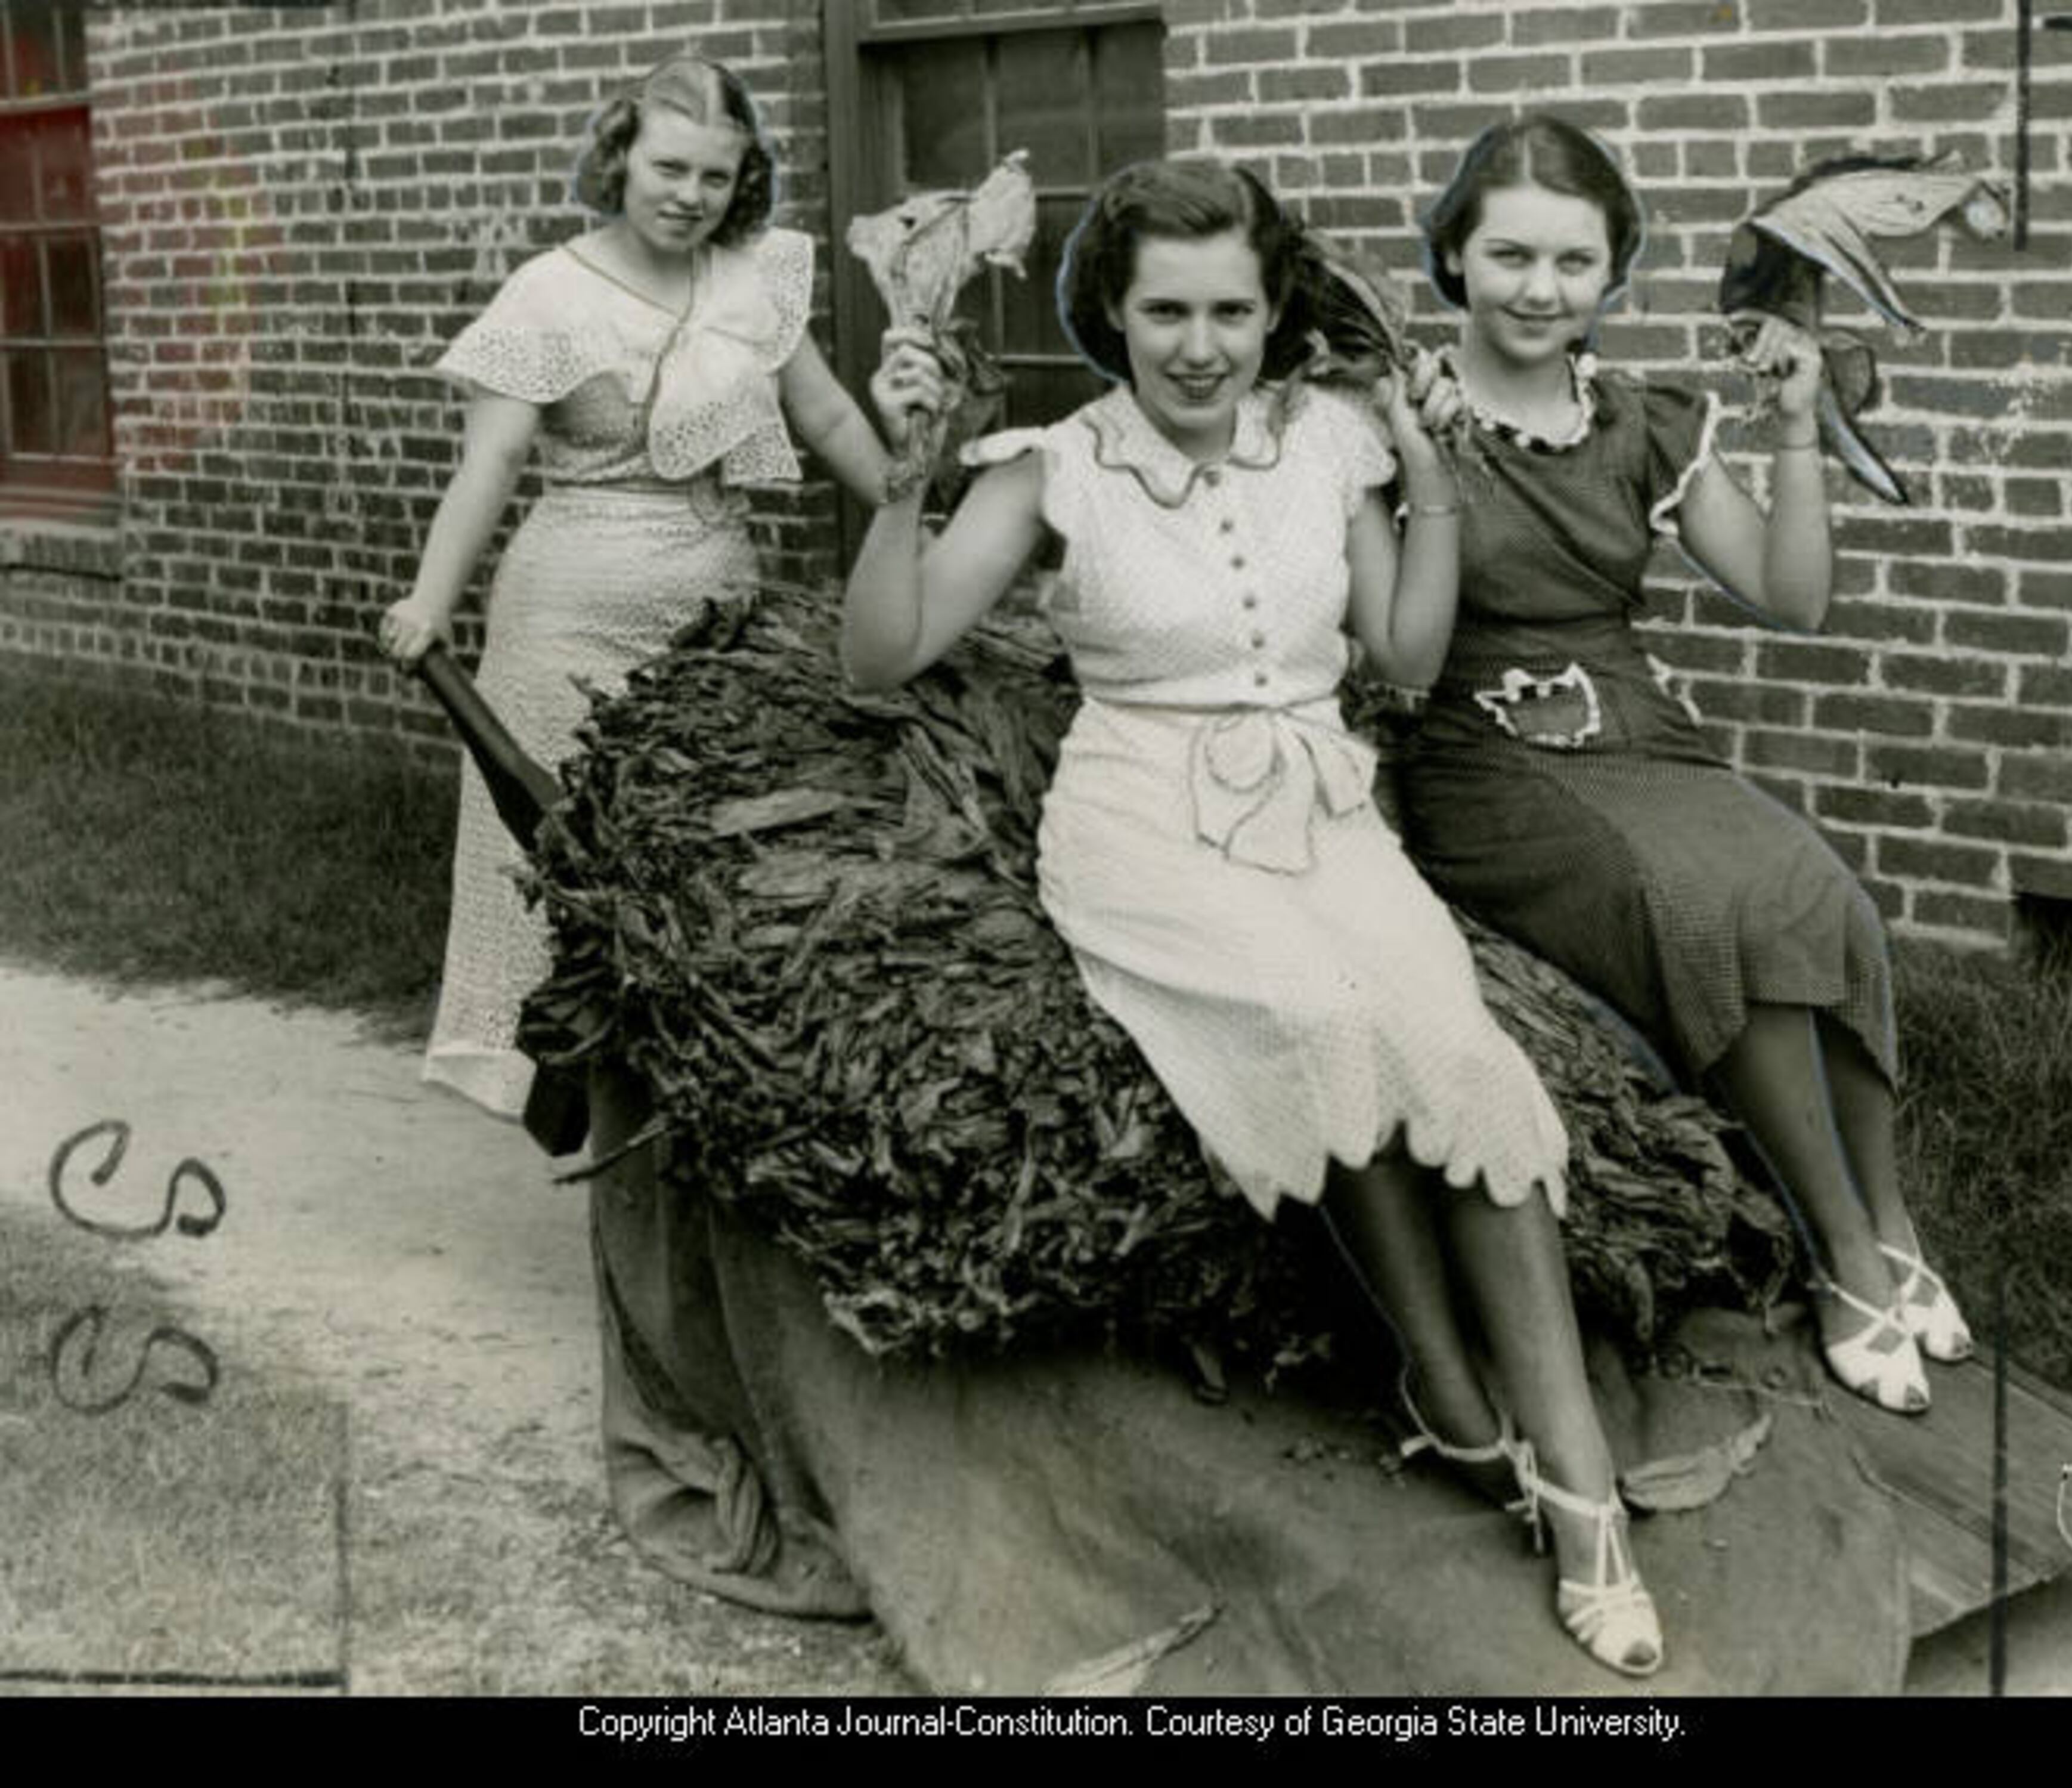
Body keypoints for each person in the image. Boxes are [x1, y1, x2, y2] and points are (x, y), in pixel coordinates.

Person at [841, 156, 1662, 1678]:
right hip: (1146, 824)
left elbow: (1408, 662)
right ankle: (1446, 1383)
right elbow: (886, 654)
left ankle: (1583, 1489)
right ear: (1113, 312)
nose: (1201, 345)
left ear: (1275, 309)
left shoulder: (1331, 440)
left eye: (1232, 308)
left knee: (1462, 1056)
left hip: (1321, 807)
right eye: (1167, 311)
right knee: (1325, 1019)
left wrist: (1421, 471)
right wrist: (906, 478)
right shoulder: (1051, 463)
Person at [1395, 116, 1973, 1419]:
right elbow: (1397, 649)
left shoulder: (1646, 423)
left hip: (1638, 728)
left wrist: (1792, 423)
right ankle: (1837, 1251)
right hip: (1480, 756)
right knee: (1699, 905)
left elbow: (1792, 596)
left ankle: (1888, 1220)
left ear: (1613, 274)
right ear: (1452, 258)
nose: (1540, 290)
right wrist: (1417, 466)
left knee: (1816, 888)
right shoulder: (1402, 417)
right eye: (1510, 256)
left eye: (1574, 262)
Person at [377, 57, 923, 1120]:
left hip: (716, 619)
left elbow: (830, 423)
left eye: (716, 178)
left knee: (708, 871)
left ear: (741, 181)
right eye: (669, 167)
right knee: (564, 873)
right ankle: (582, 1116)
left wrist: (912, 497)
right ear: (620, 156)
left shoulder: (756, 279)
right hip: (565, 617)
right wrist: (430, 603)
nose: (690, 196)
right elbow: (486, 464)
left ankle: (694, 1123)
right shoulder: (549, 290)